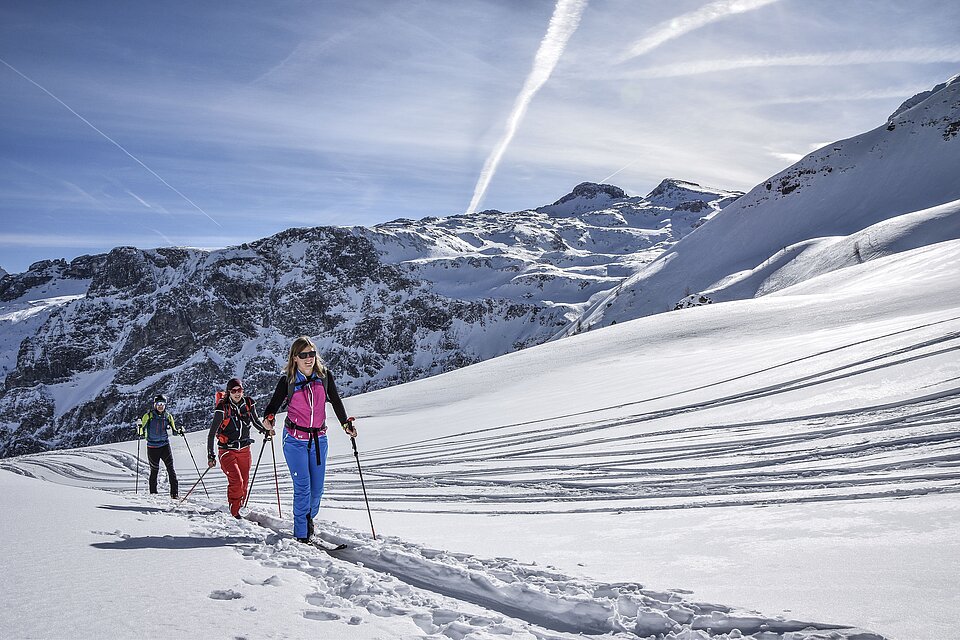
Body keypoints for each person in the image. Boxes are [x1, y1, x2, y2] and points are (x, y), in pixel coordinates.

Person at [262, 336, 357, 543]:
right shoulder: (288, 380)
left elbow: (337, 403)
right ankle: (302, 535)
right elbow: (272, 406)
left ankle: (307, 519)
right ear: (294, 358)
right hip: (294, 440)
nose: (309, 358)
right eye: (303, 355)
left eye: (311, 354)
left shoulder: (324, 377)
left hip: (319, 439)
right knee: (303, 487)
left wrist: (345, 424)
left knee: (317, 491)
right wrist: (268, 419)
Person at [206, 378, 275, 518]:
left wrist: (265, 430)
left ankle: (240, 508)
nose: (237, 393)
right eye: (234, 391)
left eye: (240, 390)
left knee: (244, 482)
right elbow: (211, 433)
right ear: (229, 392)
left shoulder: (248, 403)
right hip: (226, 450)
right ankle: (235, 511)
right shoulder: (222, 408)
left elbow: (255, 421)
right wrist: (210, 455)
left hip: (244, 449)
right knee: (237, 481)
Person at [138, 394, 183, 498]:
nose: (160, 406)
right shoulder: (148, 416)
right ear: (155, 405)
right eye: (158, 404)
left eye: (162, 404)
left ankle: (174, 494)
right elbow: (141, 432)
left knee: (171, 469)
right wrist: (139, 428)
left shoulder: (168, 416)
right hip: (152, 447)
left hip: (164, 446)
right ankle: (153, 494)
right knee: (154, 471)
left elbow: (174, 431)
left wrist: (180, 431)